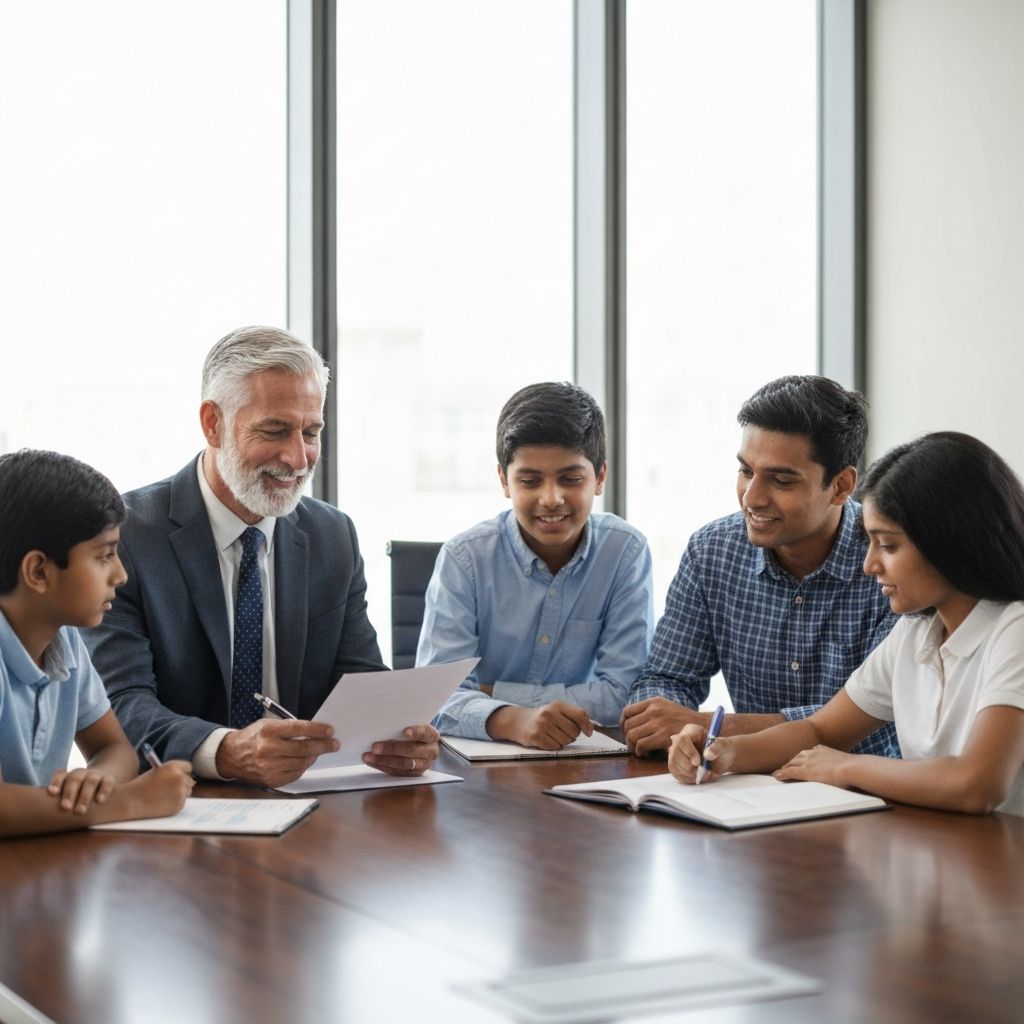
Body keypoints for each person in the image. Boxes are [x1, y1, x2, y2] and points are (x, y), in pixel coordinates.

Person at [84, 326, 439, 788]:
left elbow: (360, 682)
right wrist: (227, 752)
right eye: (275, 430)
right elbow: (119, 707)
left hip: (312, 802)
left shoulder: (332, 535)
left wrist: (397, 735)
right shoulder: (127, 537)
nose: (297, 458)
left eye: (311, 432)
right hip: (177, 803)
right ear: (213, 424)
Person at [668, 432, 1024, 815]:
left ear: (951, 542)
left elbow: (978, 784)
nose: (869, 565)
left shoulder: (1013, 629)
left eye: (887, 545)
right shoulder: (917, 631)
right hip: (943, 855)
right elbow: (819, 730)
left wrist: (844, 766)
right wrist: (723, 749)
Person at [622, 375, 899, 757]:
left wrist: (712, 727)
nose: (751, 498)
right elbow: (666, 678)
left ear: (840, 486)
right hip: (744, 785)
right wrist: (671, 725)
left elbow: (873, 720)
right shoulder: (712, 551)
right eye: (746, 471)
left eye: (781, 481)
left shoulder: (892, 562)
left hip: (868, 795)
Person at [419, 382, 654, 749]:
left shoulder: (625, 552)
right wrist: (512, 720)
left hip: (585, 756)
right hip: (475, 770)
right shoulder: (464, 558)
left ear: (600, 478)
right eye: (529, 481)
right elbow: (434, 697)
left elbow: (624, 694)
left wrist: (492, 693)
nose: (551, 499)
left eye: (571, 479)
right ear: (504, 481)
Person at [0, 450, 193, 837]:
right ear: (39, 571)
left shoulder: (64, 638)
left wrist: (98, 782)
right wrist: (129, 802)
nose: (120, 574)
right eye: (104, 556)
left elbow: (115, 749)